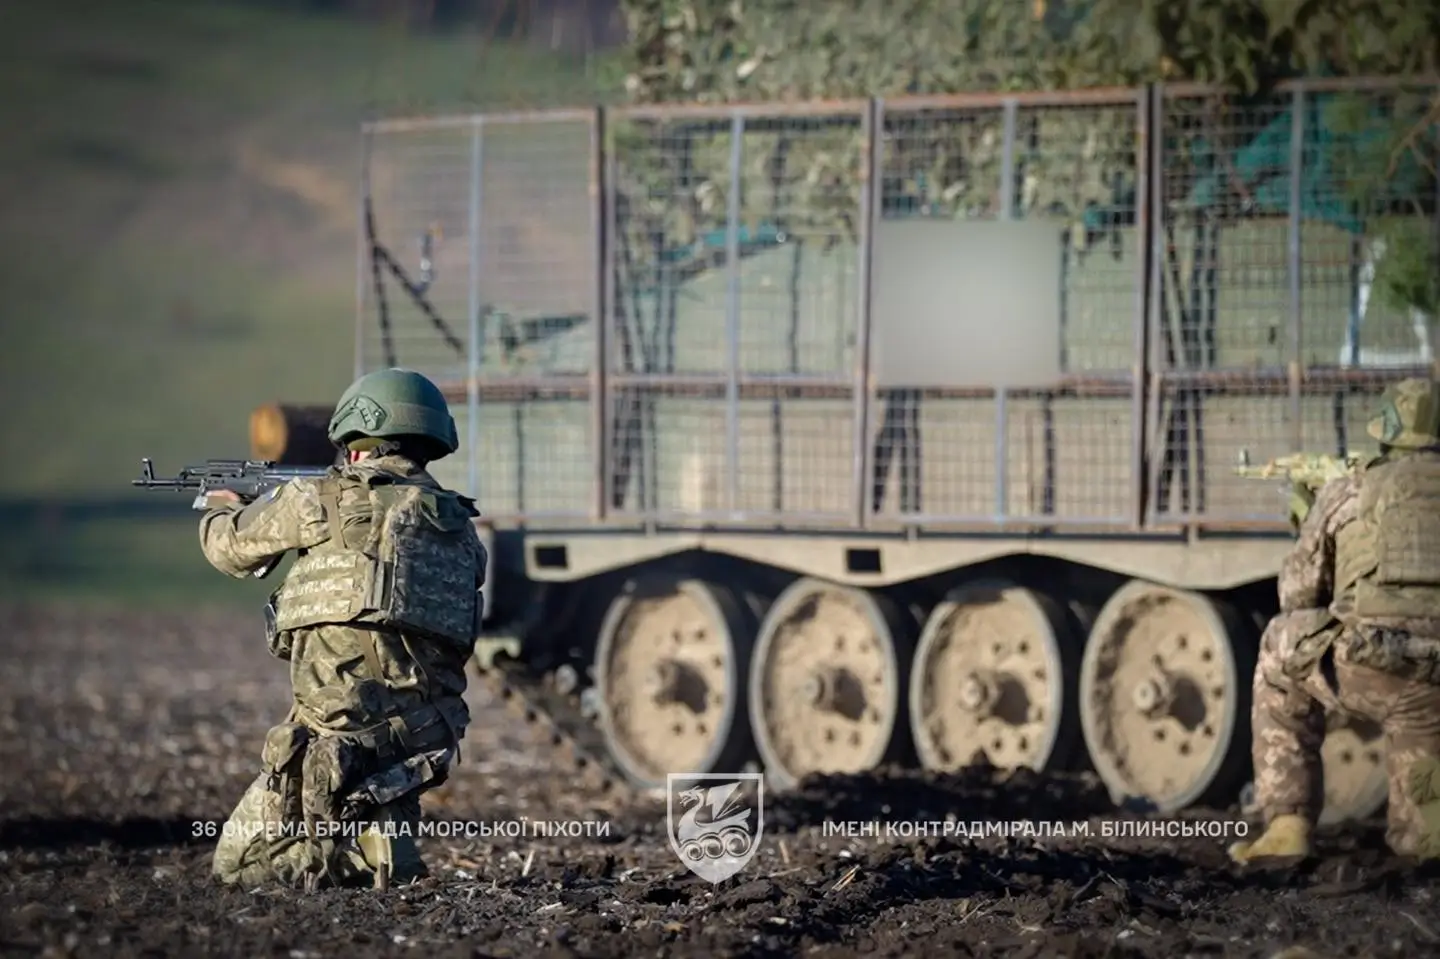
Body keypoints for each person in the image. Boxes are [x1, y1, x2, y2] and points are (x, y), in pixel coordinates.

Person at [201, 368, 487, 889]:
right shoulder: (462, 531)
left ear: (355, 441)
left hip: (334, 732)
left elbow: (230, 551)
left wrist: (222, 510)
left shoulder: (314, 499)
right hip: (422, 739)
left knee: (235, 867)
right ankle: (380, 827)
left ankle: (355, 854)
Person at [1230, 377, 1440, 863]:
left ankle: (1287, 824)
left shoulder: (1349, 491)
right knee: (1425, 841)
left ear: (1384, 431)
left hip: (1379, 666)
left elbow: (1298, 596)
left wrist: (1307, 517)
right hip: (1432, 691)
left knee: (1280, 647)